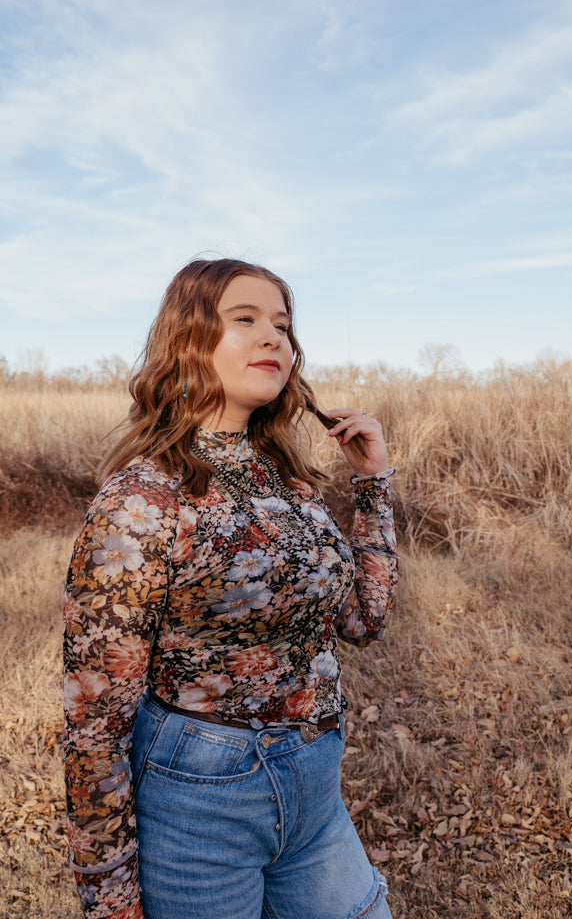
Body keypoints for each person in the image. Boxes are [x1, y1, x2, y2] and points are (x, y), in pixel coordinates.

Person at [63, 258, 398, 919]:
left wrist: (372, 483)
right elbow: (94, 726)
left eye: (282, 323)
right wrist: (111, 902)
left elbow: (365, 618)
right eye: (245, 319)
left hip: (313, 789)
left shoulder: (286, 483)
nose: (275, 336)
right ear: (189, 340)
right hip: (200, 802)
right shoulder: (143, 500)